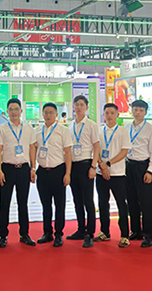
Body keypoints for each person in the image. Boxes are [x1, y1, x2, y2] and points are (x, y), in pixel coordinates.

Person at [0, 98, 37, 248]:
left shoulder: (28, 128)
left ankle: (24, 234)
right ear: (7, 111)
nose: (14, 112)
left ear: (21, 111)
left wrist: (33, 168)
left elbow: (32, 148)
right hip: (7, 168)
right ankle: (2, 235)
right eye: (11, 109)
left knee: (23, 203)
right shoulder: (2, 128)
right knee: (4, 203)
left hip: (24, 169)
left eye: (16, 109)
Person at [35, 102, 73, 248]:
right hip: (42, 171)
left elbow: (68, 153)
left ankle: (58, 234)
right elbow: (33, 149)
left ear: (56, 114)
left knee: (59, 205)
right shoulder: (37, 131)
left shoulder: (63, 131)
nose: (48, 115)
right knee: (46, 205)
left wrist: (68, 173)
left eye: (51, 112)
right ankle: (47, 233)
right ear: (42, 114)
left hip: (58, 171)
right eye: (46, 112)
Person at [95, 103, 131, 248]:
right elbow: (95, 150)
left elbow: (124, 152)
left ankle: (124, 235)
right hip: (101, 173)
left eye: (112, 113)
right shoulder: (99, 131)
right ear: (103, 114)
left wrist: (108, 164)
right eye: (107, 113)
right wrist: (101, 165)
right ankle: (104, 231)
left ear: (117, 115)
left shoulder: (123, 132)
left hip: (118, 173)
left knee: (121, 204)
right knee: (103, 203)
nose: (109, 116)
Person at [66, 95, 100, 248]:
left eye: (82, 105)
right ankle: (81, 229)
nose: (79, 107)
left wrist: (93, 167)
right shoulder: (70, 125)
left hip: (86, 165)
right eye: (76, 104)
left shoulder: (91, 125)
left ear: (86, 107)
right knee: (77, 200)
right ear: (73, 107)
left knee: (88, 201)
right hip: (73, 166)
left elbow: (96, 147)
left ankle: (89, 233)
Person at [125, 99, 152, 248]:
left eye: (141, 110)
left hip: (143, 166)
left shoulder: (151, 130)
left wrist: (150, 170)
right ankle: (136, 230)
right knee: (131, 200)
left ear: (145, 112)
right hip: (128, 165)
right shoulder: (126, 127)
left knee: (146, 202)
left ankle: (148, 235)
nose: (137, 113)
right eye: (135, 110)